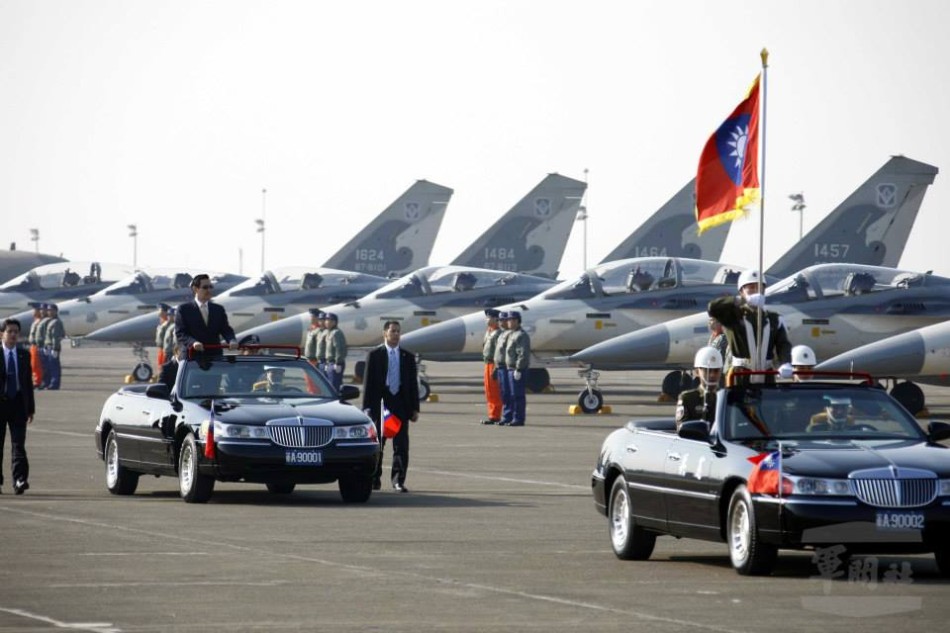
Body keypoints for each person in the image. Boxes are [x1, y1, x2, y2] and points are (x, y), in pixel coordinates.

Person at [362, 320, 419, 493]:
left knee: (401, 446)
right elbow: (368, 384)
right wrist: (367, 408)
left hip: (400, 404)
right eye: (392, 331)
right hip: (382, 404)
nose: (395, 334)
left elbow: (413, 384)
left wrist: (414, 409)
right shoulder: (375, 355)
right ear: (385, 333)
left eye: (398, 331)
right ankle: (374, 478)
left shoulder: (407, 357)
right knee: (378, 445)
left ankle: (398, 480)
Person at [708, 270, 793, 386]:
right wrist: (742, 300)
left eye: (760, 287)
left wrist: (786, 362)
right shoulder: (733, 316)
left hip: (766, 374)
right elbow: (712, 308)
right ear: (742, 291)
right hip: (740, 374)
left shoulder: (774, 319)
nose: (756, 291)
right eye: (751, 287)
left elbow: (783, 344)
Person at [0, 319, 35, 495]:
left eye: (16, 332)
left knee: (18, 445)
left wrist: (30, 409)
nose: (13, 335)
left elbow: (28, 383)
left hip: (18, 405)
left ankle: (20, 479)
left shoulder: (23, 355)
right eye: (10, 331)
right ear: (2, 334)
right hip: (1, 403)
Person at [175, 274, 237, 358]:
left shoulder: (218, 309)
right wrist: (193, 343)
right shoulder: (184, 309)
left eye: (210, 287)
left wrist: (231, 340)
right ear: (195, 289)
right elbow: (181, 333)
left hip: (214, 357)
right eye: (205, 287)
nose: (209, 290)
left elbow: (226, 329)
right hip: (192, 357)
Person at [675, 346, 722, 430]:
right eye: (707, 370)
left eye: (716, 371)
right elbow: (682, 428)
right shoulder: (688, 398)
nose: (712, 375)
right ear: (697, 372)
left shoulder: (727, 398)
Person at [502, 311, 530, 427]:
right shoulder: (511, 334)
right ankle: (510, 417)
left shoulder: (521, 335)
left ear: (517, 321)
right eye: (508, 320)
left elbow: (523, 353)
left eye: (511, 320)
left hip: (516, 369)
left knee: (517, 395)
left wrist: (518, 368)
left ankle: (518, 418)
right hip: (509, 368)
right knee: (510, 395)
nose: (509, 322)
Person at [479, 308, 503, 425]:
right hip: (487, 363)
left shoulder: (498, 333)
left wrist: (496, 367)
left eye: (489, 317)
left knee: (495, 390)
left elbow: (499, 352)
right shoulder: (489, 331)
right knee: (489, 391)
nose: (486, 320)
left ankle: (496, 415)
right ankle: (492, 414)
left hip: (494, 363)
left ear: (496, 319)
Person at [493, 311, 513, 424]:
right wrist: (496, 367)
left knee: (509, 393)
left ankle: (509, 416)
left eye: (502, 320)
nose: (500, 322)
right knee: (504, 393)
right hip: (500, 367)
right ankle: (506, 416)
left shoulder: (512, 334)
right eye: (499, 320)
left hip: (507, 367)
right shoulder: (501, 334)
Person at [42, 303, 65, 390]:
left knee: (54, 366)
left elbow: (56, 336)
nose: (49, 312)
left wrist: (55, 348)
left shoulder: (56, 322)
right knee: (49, 366)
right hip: (48, 346)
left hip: (53, 347)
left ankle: (54, 384)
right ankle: (49, 383)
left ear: (56, 311)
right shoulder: (50, 321)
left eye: (51, 310)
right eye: (48, 310)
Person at [323, 313, 347, 391]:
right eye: (326, 320)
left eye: (329, 320)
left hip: (335, 364)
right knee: (329, 386)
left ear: (334, 322)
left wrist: (338, 363)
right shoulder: (329, 332)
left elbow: (339, 348)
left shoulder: (336, 333)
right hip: (330, 363)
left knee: (334, 387)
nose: (326, 322)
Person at [33, 304, 52, 389]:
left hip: (44, 345)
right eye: (40, 309)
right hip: (38, 345)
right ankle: (40, 382)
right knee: (38, 365)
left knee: (45, 366)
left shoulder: (48, 321)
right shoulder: (39, 320)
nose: (42, 311)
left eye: (43, 309)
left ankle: (45, 383)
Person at [27, 304, 44, 388]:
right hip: (32, 346)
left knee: (36, 365)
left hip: (38, 345)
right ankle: (36, 381)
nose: (33, 312)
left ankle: (38, 381)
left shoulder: (41, 322)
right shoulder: (36, 321)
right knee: (33, 365)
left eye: (35, 310)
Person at [155, 304, 173, 368]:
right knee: (160, 365)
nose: (159, 312)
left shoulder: (169, 323)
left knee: (164, 366)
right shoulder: (162, 322)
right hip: (161, 349)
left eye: (161, 310)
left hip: (166, 349)